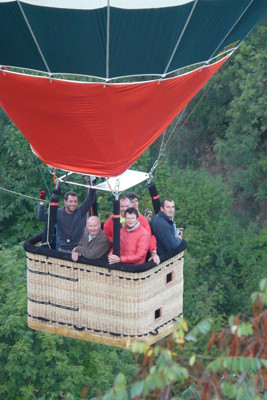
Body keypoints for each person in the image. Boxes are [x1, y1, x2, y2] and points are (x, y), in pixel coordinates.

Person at [126, 192, 160, 265]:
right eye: (132, 202)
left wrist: (153, 252)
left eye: (136, 201)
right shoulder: (120, 218)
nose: (135, 204)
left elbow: (149, 236)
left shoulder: (141, 218)